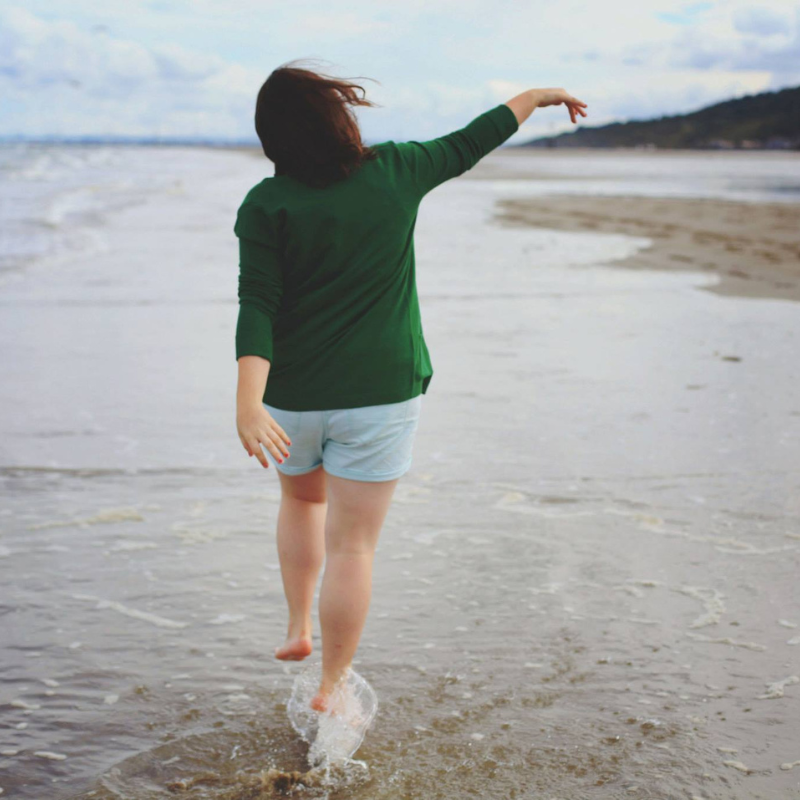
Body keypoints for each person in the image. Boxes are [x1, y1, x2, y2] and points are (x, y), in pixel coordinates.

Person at [234, 59, 587, 713]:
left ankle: (297, 628)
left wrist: (248, 403)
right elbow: (471, 139)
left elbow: (257, 304)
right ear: (339, 120)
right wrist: (535, 97)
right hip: (380, 395)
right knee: (354, 546)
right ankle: (332, 687)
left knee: (302, 504)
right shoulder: (397, 171)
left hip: (291, 398)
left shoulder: (266, 203)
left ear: (272, 137)